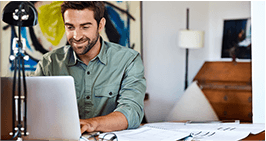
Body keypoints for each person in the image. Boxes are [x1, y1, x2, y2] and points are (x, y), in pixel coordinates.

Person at [34, 1, 146, 134]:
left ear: (101, 25)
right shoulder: (49, 63)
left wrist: (90, 124)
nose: (77, 36)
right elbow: (36, 112)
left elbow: (132, 112)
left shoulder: (129, 60)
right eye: (70, 27)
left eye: (85, 27)